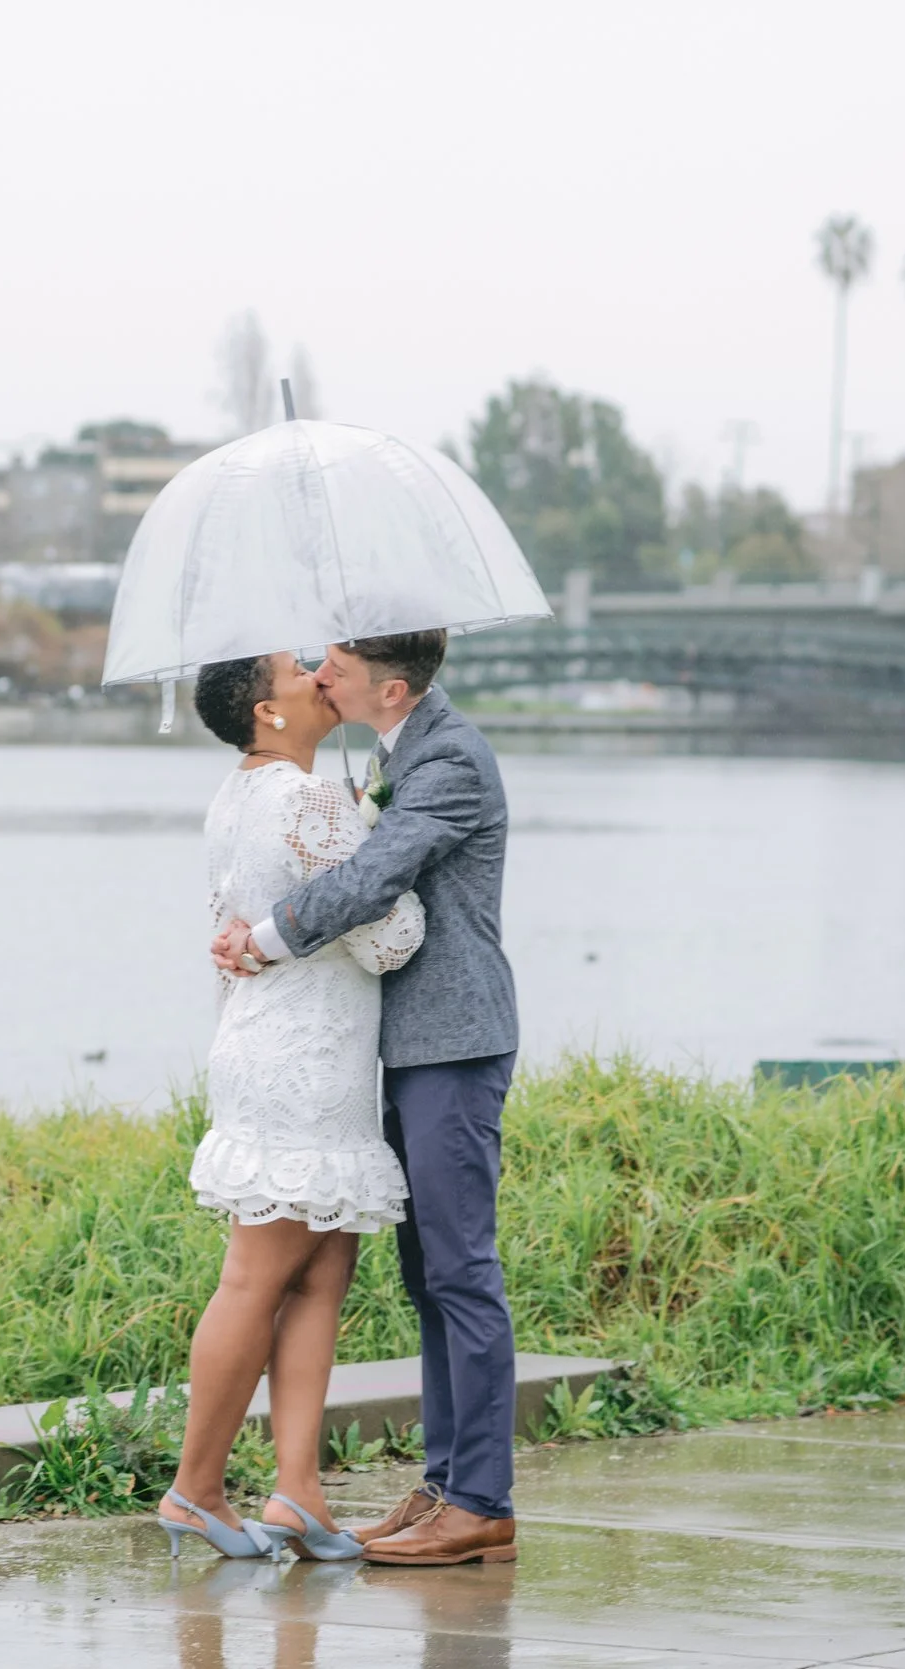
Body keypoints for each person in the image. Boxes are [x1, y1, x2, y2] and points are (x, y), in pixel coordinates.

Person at [213, 629, 522, 1567]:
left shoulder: (453, 759)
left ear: (389, 686)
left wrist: (266, 936)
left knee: (461, 1271)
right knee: (426, 1276)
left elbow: (378, 877)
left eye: (336, 666)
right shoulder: (395, 750)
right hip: (403, 1048)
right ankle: (442, 1484)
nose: (319, 672)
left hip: (454, 1044)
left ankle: (482, 1500)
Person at [158, 650, 423, 1564]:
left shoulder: (236, 794)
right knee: (258, 1275)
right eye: (296, 669)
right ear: (267, 710)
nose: (319, 674)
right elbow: (390, 939)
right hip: (302, 1061)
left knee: (320, 1271)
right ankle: (196, 1490)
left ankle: (297, 1490)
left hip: (281, 1047)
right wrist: (383, 840)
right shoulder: (309, 800)